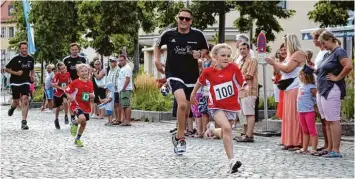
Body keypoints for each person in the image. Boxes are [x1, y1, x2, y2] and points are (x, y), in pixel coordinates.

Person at [154, 8, 208, 154]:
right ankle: (182, 139)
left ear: (191, 21)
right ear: (177, 19)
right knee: (182, 104)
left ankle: (177, 136)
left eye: (187, 19)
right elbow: (157, 46)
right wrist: (157, 60)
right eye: (181, 18)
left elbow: (205, 50)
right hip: (173, 74)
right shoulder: (168, 33)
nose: (184, 21)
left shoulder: (198, 34)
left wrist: (200, 54)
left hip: (191, 76)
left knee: (186, 111)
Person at [191, 44, 246, 174]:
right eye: (223, 55)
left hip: (232, 105)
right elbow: (199, 82)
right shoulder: (208, 71)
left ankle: (212, 130)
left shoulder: (233, 68)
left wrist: (245, 88)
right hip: (215, 106)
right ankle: (232, 160)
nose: (226, 58)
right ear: (215, 57)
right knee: (227, 129)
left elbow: (242, 81)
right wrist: (193, 94)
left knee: (226, 131)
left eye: (228, 56)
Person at [265, 34, 306, 151]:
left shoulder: (299, 53)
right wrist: (274, 64)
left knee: (294, 116)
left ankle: (297, 141)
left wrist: (274, 63)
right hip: (288, 88)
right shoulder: (290, 55)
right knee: (288, 116)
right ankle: (289, 140)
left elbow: (288, 68)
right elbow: (279, 71)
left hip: (295, 87)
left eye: (286, 44)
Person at [315, 30, 352, 158]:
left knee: (333, 119)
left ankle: (336, 149)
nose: (323, 46)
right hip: (323, 90)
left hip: (331, 89)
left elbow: (348, 65)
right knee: (328, 121)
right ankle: (330, 148)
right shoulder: (329, 54)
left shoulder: (339, 52)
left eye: (324, 43)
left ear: (330, 39)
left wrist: (338, 77)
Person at [5, 41, 35, 130]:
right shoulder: (15, 59)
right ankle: (12, 108)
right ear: (19, 49)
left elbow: (32, 69)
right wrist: (16, 73)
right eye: (22, 48)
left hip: (26, 81)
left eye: (26, 48)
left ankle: (24, 122)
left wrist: (32, 76)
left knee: (25, 100)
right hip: (15, 82)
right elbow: (6, 69)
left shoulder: (30, 59)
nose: (24, 50)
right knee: (16, 101)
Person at [64, 64, 94, 147]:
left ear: (88, 72)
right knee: (82, 118)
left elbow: (91, 93)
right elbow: (66, 90)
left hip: (86, 105)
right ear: (78, 73)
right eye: (82, 71)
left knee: (84, 123)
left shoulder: (90, 83)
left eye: (86, 71)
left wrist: (92, 96)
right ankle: (74, 123)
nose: (84, 73)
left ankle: (77, 139)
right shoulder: (75, 83)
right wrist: (69, 96)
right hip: (76, 104)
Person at [235, 42, 258, 143]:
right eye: (240, 49)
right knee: (243, 115)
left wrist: (236, 77)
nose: (242, 51)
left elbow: (249, 75)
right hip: (241, 91)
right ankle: (245, 134)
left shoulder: (252, 60)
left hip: (249, 91)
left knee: (249, 113)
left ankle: (249, 135)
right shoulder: (241, 61)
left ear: (248, 50)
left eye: (244, 48)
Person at [311, 28, 329, 152]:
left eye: (314, 38)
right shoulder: (320, 52)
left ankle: (329, 144)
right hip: (318, 85)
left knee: (327, 119)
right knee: (322, 118)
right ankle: (327, 143)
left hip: (324, 87)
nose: (313, 40)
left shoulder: (326, 52)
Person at [296, 65, 318, 155]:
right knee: (304, 130)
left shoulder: (311, 87)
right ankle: (304, 148)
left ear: (306, 76)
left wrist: (316, 106)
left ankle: (314, 148)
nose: (299, 77)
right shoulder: (301, 86)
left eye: (301, 75)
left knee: (312, 130)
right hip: (301, 111)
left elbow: (317, 96)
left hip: (309, 111)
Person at [63, 43, 87, 122]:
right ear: (70, 51)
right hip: (71, 83)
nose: (74, 51)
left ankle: (81, 114)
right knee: (71, 100)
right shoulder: (66, 60)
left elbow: (86, 71)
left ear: (78, 50)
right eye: (73, 50)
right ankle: (72, 116)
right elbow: (63, 72)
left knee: (81, 99)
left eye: (76, 49)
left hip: (80, 82)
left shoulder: (82, 59)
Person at [52, 62, 71, 129]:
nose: (63, 70)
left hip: (65, 92)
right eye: (61, 69)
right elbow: (53, 84)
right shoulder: (57, 75)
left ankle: (66, 116)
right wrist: (60, 88)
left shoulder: (68, 74)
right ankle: (56, 119)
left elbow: (69, 82)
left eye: (64, 68)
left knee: (65, 102)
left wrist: (69, 88)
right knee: (57, 108)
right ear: (59, 70)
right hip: (57, 93)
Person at [117, 55, 133, 126]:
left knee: (127, 105)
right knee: (123, 105)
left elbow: (127, 79)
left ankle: (128, 121)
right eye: (119, 60)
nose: (120, 62)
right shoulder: (122, 68)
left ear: (125, 60)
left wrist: (123, 88)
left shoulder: (127, 68)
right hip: (121, 90)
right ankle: (125, 120)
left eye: (122, 60)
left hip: (125, 89)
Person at [107, 56, 121, 125]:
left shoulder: (118, 69)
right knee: (113, 105)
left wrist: (116, 87)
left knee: (117, 104)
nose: (111, 63)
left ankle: (118, 119)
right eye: (110, 61)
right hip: (111, 90)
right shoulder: (110, 70)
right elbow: (108, 80)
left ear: (116, 62)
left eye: (113, 61)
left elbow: (118, 80)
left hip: (116, 90)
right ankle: (116, 118)